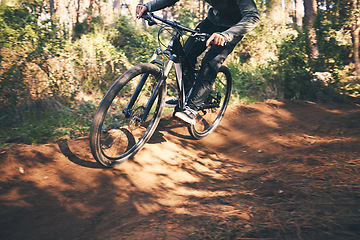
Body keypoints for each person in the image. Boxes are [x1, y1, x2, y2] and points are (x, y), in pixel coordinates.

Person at [136, 0, 259, 125]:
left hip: (232, 28)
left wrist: (227, 35)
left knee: (210, 62)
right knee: (185, 54)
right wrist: (148, 6)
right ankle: (185, 96)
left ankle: (192, 108)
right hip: (212, 22)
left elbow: (253, 17)